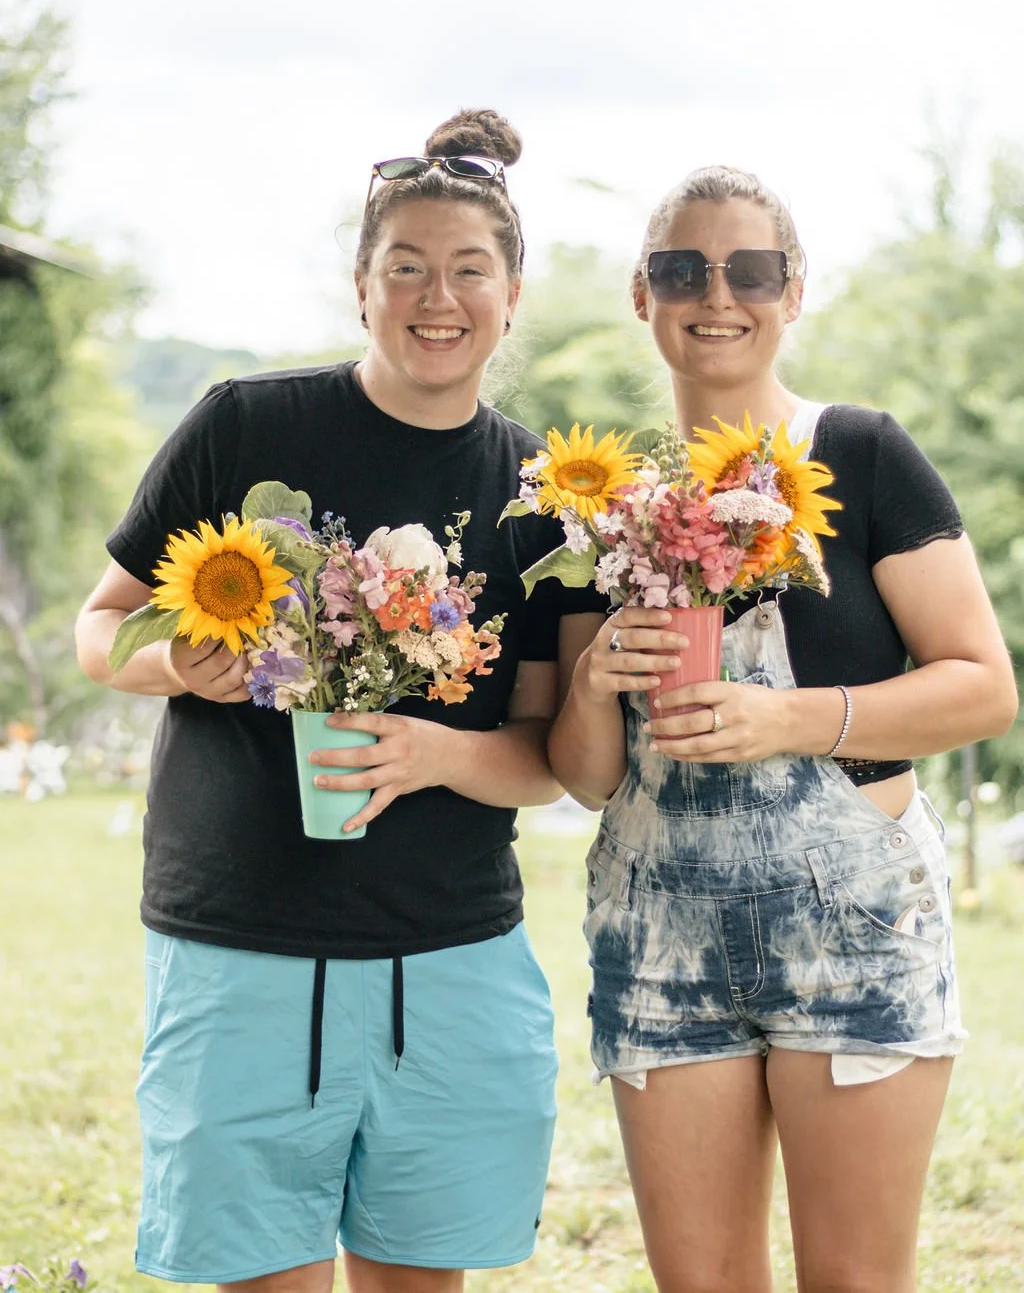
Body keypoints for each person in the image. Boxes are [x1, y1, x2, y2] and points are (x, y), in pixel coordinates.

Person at [75, 108, 602, 1293]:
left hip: (451, 951)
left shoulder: (536, 495)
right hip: (240, 940)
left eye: (470, 269)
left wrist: (431, 751)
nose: (438, 295)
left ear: (513, 293)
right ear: (360, 285)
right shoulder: (243, 426)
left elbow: (542, 756)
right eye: (405, 266)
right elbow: (100, 627)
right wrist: (176, 664)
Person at [548, 166, 1019, 1293]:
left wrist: (788, 718)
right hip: (659, 942)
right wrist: (588, 685)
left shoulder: (857, 454)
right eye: (680, 269)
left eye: (748, 269)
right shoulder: (600, 499)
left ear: (792, 291)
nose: (716, 294)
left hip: (853, 932)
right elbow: (586, 778)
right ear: (640, 294)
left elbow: (982, 684)